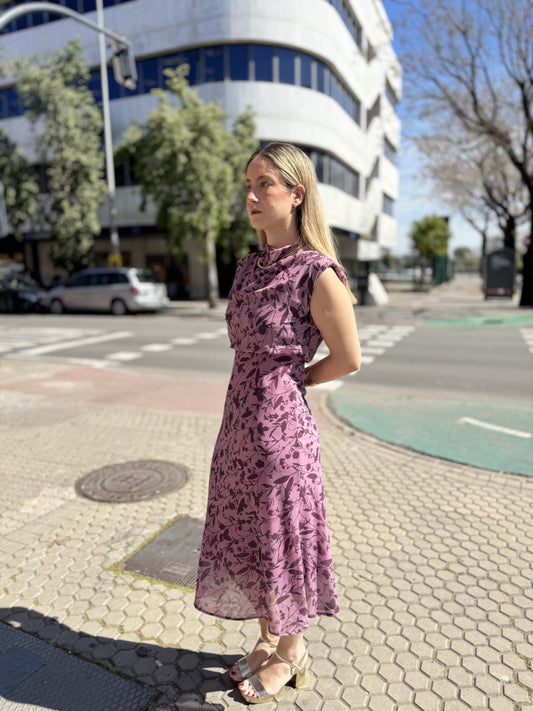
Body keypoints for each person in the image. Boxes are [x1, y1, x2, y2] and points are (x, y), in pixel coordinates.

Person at [194, 142, 361, 704]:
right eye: (249, 184)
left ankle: (292, 653)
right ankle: (267, 639)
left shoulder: (317, 273)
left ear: (296, 194)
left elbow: (349, 357)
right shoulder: (247, 267)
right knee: (250, 534)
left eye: (265, 184)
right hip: (237, 427)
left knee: (280, 539)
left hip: (282, 435)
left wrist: (295, 380)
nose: (252, 195)